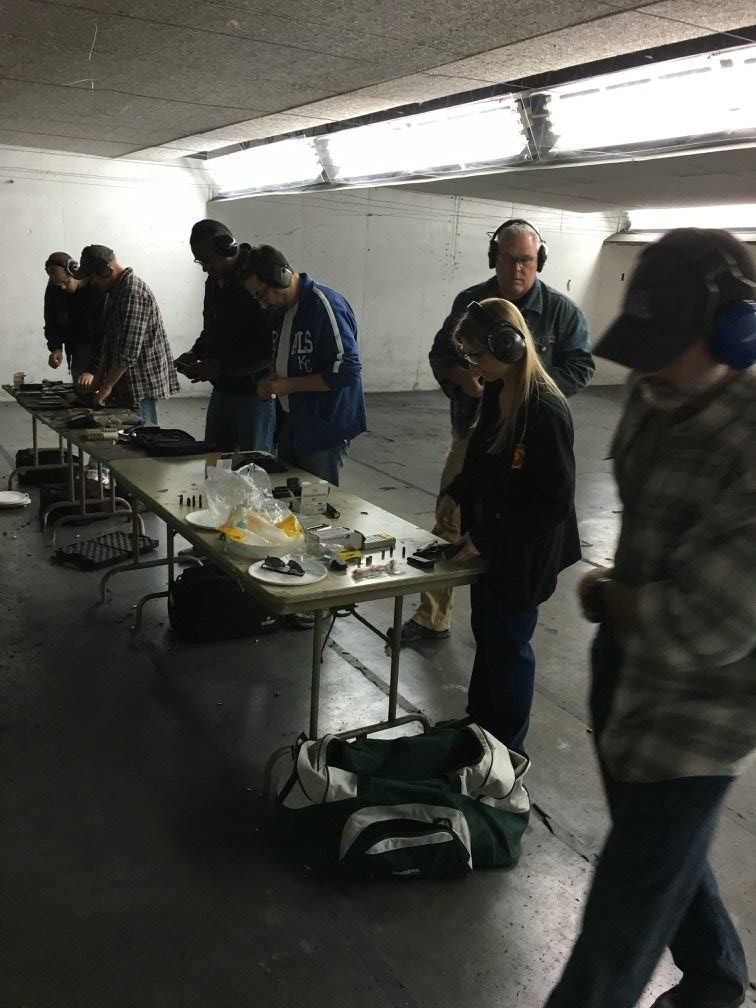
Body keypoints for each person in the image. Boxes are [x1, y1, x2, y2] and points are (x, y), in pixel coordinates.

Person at [544, 228, 756, 1008]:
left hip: (706, 705)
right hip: (625, 664)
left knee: (619, 921)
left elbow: (712, 623)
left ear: (738, 331)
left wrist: (613, 596)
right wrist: (618, 608)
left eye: (667, 346)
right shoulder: (655, 389)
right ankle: (717, 978)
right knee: (659, 851)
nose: (643, 368)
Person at [401, 218, 594, 643]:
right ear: (495, 259)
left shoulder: (561, 312)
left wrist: (526, 390)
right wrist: (460, 374)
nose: (518, 269)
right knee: (451, 522)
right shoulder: (472, 303)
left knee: (510, 524)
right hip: (474, 431)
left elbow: (582, 366)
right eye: (509, 260)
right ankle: (434, 616)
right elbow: (440, 354)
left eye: (526, 260)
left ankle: (501, 592)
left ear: (538, 261)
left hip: (526, 435)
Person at [442, 298, 581, 752]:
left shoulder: (544, 409)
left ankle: (507, 749)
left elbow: (554, 502)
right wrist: (457, 491)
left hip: (523, 550)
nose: (473, 366)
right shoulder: (498, 393)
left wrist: (486, 537)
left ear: (509, 345)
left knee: (509, 646)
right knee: (488, 635)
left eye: (477, 354)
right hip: (493, 542)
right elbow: (482, 461)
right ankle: (481, 724)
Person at [240, 244, 367, 487]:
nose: (263, 304)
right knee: (288, 498)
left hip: (324, 427)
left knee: (315, 505)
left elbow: (348, 370)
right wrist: (270, 381)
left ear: (281, 276)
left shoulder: (324, 305)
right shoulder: (283, 312)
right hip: (295, 422)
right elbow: (288, 359)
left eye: (261, 295)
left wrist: (290, 385)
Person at [174, 219, 275, 453]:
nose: (204, 268)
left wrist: (220, 366)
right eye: (199, 261)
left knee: (254, 468)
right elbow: (212, 329)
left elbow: (270, 348)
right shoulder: (214, 280)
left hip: (254, 394)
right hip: (223, 390)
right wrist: (195, 353)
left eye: (207, 260)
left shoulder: (259, 279)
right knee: (215, 465)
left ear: (227, 248)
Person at [71, 245, 179, 425]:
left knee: (140, 441)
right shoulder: (115, 291)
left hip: (140, 384)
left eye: (92, 277)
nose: (92, 282)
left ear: (105, 270)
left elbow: (128, 352)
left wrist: (106, 387)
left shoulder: (133, 293)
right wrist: (99, 379)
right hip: (123, 382)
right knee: (120, 441)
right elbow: (109, 341)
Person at [43, 252, 107, 384]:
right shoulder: (55, 286)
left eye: (66, 282)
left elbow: (104, 334)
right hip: (77, 346)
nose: (62, 287)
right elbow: (51, 320)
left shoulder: (97, 288)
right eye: (58, 284)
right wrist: (56, 348)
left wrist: (92, 370)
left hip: (101, 346)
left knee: (102, 393)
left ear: (75, 272)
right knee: (81, 392)